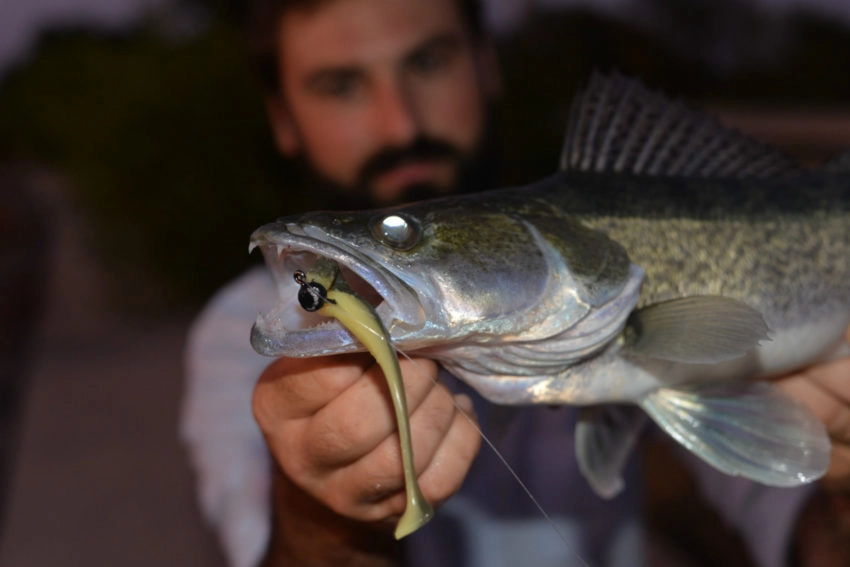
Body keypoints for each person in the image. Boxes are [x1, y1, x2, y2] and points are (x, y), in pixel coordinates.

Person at [180, 1, 850, 566]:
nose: (401, 122)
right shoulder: (242, 332)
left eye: (428, 62)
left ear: (486, 63)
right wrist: (317, 518)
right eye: (341, 85)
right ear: (282, 120)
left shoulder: (606, 278)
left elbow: (806, 535)